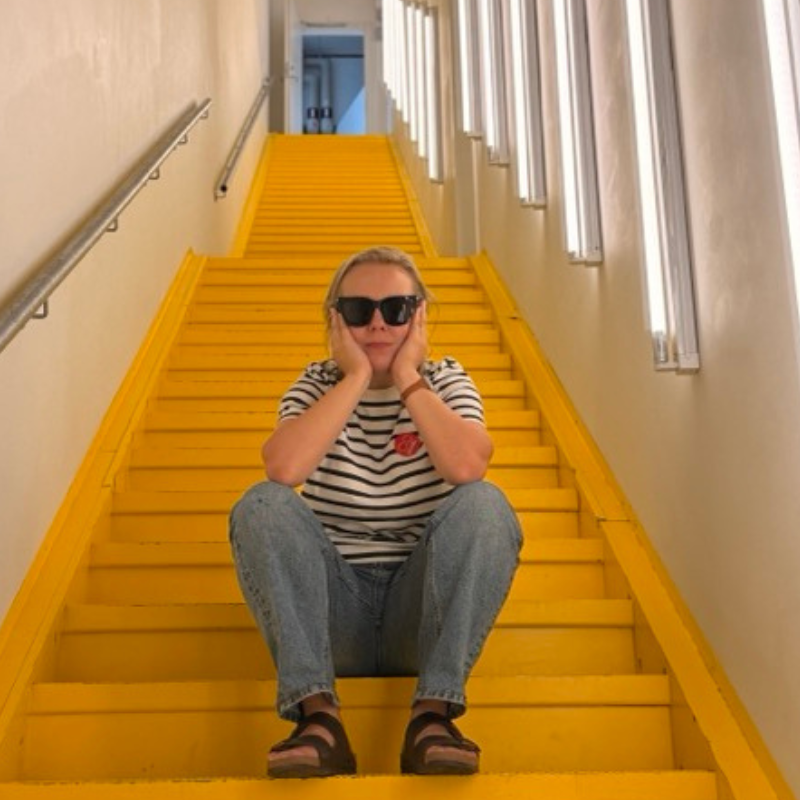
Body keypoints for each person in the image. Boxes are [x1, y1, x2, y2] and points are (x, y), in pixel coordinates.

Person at [229, 246, 522, 778]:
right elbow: (284, 469)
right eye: (360, 311)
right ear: (336, 320)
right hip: (333, 613)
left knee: (485, 504)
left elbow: (466, 466)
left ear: (420, 315)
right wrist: (355, 378)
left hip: (422, 612)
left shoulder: (445, 379)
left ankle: (431, 717)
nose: (379, 323)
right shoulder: (317, 384)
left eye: (397, 309)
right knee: (261, 504)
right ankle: (318, 718)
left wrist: (408, 376)